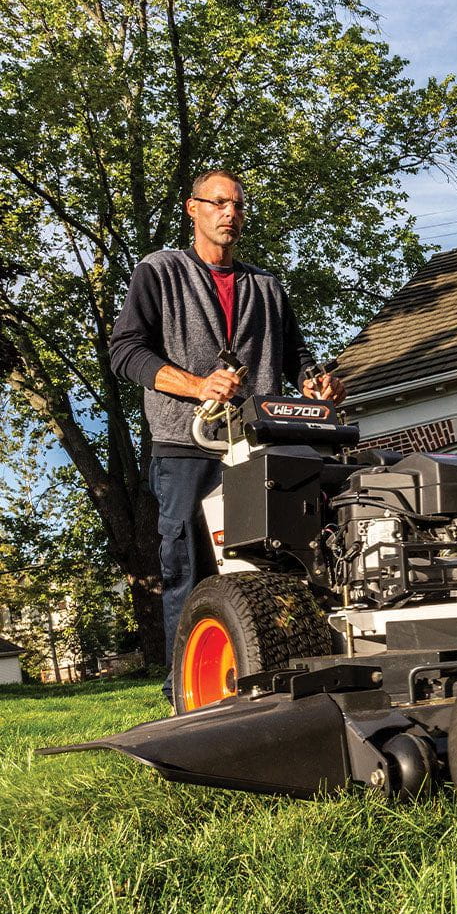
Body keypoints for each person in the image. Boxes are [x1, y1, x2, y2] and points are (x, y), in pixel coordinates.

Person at [110, 168, 345, 701]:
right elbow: (126, 352)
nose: (229, 213)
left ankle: (282, 680)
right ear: (193, 209)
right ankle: (187, 696)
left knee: (282, 563)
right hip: (185, 446)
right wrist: (197, 386)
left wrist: (318, 383)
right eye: (217, 203)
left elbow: (297, 359)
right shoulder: (160, 271)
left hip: (257, 448)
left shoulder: (266, 285)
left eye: (237, 205)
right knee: (188, 570)